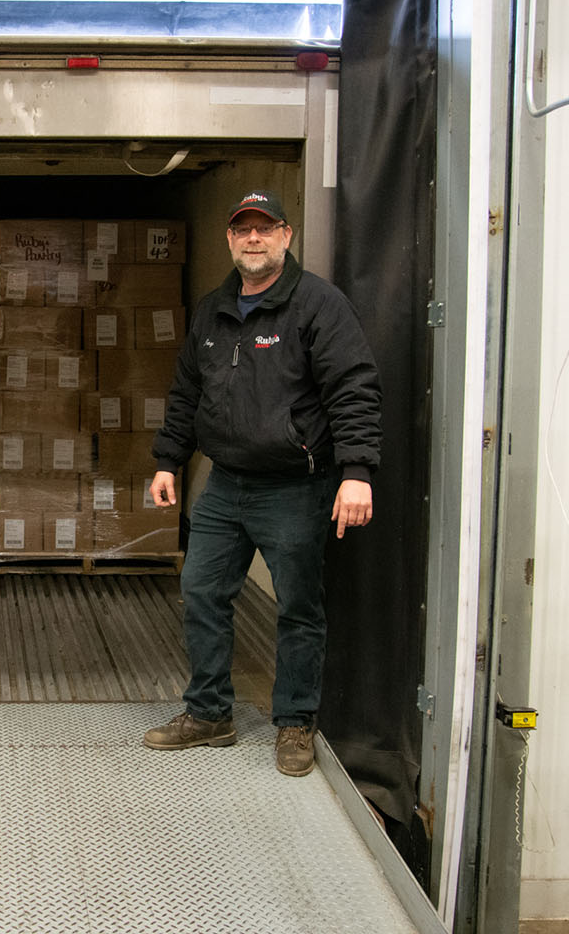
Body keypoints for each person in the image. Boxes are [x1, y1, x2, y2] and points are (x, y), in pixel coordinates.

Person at [145, 189, 381, 777]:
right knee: (202, 590)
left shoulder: (317, 305)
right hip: (225, 485)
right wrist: (169, 460)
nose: (254, 238)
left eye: (265, 228)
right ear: (229, 239)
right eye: (243, 229)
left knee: (298, 607)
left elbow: (353, 388)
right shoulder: (213, 310)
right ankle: (209, 714)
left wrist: (356, 472)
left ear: (286, 236)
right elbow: (186, 392)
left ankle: (295, 723)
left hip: (295, 487)